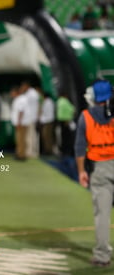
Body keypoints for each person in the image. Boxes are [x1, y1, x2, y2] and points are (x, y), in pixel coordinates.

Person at [75, 79, 114, 268]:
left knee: (102, 215)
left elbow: (80, 148)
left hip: (100, 168)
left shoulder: (86, 116)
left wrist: (82, 171)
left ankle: (102, 256)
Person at [10, 85, 29, 160]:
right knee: (19, 139)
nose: (11, 94)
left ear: (15, 92)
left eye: (12, 92)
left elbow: (21, 111)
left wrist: (19, 122)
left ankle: (21, 155)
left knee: (21, 139)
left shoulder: (21, 99)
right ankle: (19, 153)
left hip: (21, 123)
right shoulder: (17, 99)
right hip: (19, 123)